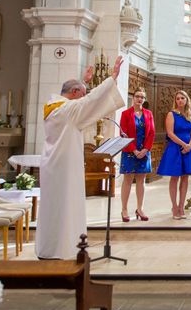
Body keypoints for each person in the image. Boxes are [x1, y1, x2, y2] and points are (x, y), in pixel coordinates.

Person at [36, 56, 125, 259]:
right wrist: (111, 78)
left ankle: (49, 247)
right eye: (82, 93)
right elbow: (90, 102)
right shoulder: (68, 110)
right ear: (74, 93)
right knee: (66, 207)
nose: (84, 97)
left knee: (53, 208)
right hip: (65, 167)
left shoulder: (54, 105)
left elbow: (84, 100)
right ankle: (64, 248)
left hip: (53, 165)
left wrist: (84, 82)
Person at [157, 90, 191, 220]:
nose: (180, 100)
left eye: (182, 98)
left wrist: (190, 144)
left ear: (187, 100)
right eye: (178, 98)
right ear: (175, 101)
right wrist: (183, 144)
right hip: (175, 148)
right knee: (175, 177)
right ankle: (174, 206)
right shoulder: (171, 114)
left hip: (188, 148)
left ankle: (182, 206)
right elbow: (170, 133)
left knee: (185, 177)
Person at [119, 87, 155, 222]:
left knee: (141, 180)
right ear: (133, 98)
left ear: (144, 100)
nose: (140, 99)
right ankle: (124, 209)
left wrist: (145, 149)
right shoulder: (125, 114)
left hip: (144, 151)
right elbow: (123, 134)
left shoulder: (148, 114)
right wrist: (134, 150)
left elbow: (151, 132)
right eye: (137, 96)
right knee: (128, 180)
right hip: (129, 151)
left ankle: (140, 208)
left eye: (142, 97)